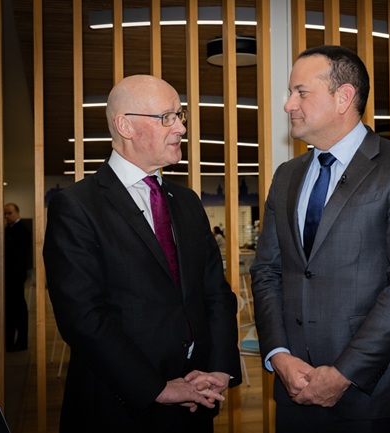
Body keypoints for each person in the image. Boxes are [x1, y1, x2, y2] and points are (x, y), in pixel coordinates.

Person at [250, 45, 390, 433]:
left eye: (301, 92)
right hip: (293, 388)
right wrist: (279, 354)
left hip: (371, 395)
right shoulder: (286, 175)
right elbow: (267, 271)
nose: (288, 105)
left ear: (344, 97)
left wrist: (342, 373)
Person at [43, 74, 241, 433]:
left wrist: (220, 367)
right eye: (168, 117)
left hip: (197, 399)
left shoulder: (188, 202)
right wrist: (157, 388)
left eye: (180, 116)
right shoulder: (77, 206)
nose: (181, 127)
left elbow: (216, 293)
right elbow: (83, 317)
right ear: (125, 125)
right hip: (120, 406)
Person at [4, 203, 32, 352]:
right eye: (5, 214)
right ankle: (9, 341)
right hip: (8, 276)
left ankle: (21, 341)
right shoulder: (8, 230)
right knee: (9, 309)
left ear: (17, 213)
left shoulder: (22, 230)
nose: (7, 216)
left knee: (18, 309)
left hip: (16, 275)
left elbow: (18, 254)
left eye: (9, 213)